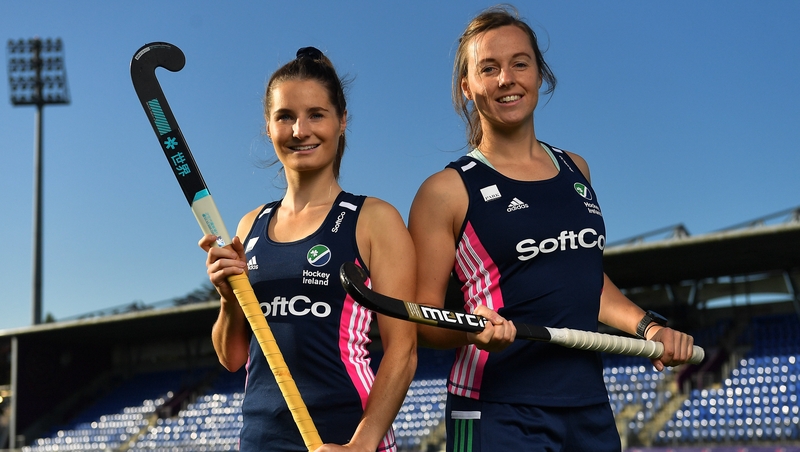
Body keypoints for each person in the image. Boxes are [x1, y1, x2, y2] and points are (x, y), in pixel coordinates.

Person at [408, 6, 695, 451]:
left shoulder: (576, 168)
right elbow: (421, 318)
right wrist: (471, 329)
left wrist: (648, 328)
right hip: (493, 407)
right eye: (489, 68)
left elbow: (584, 279)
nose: (507, 79)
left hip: (587, 406)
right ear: (467, 86)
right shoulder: (446, 191)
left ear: (539, 74)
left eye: (520, 64)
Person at [200, 47, 417, 452]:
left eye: (316, 114)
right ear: (268, 127)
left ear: (342, 121)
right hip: (260, 440)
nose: (300, 131)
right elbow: (231, 358)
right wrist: (229, 299)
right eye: (285, 116)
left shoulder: (374, 219)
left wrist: (361, 445)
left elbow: (403, 351)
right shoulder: (249, 226)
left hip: (346, 437)